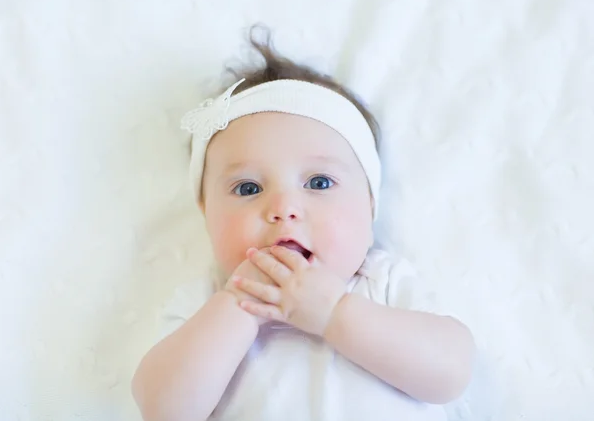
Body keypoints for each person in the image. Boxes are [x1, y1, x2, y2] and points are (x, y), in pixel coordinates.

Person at [131, 29, 475, 421]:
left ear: (370, 204)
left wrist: (336, 314)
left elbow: (451, 372)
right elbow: (162, 409)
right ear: (205, 211)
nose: (283, 208)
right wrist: (236, 310)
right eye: (248, 187)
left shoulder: (381, 283)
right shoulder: (207, 301)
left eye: (319, 183)